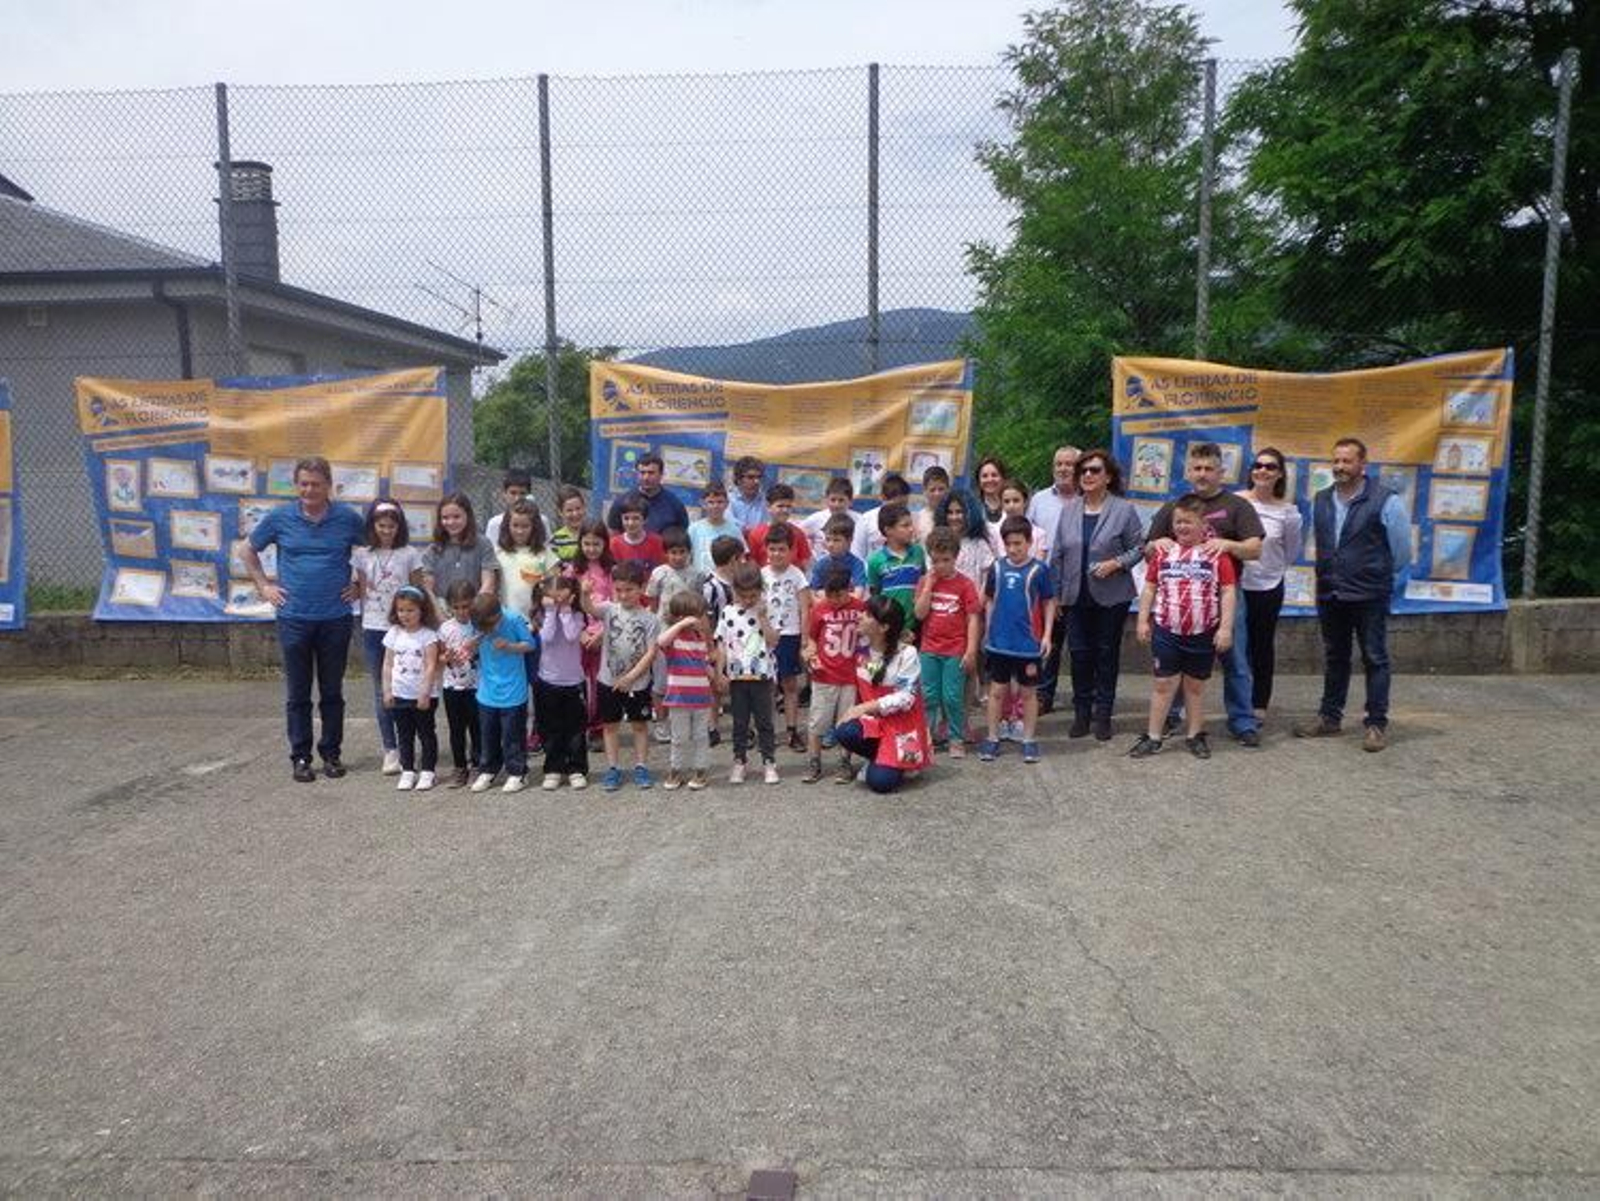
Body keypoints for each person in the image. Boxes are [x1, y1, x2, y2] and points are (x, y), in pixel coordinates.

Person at [243, 456, 366, 783]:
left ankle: (332, 754)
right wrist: (264, 586)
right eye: (304, 484)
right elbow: (247, 551)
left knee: (332, 691)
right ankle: (300, 757)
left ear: (329, 486)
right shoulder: (281, 518)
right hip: (294, 618)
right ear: (297, 486)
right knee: (298, 693)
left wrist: (359, 585)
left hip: (335, 618)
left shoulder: (347, 519)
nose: (309, 490)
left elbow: (374, 553)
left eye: (316, 484)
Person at [1294, 437, 1411, 752]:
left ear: (1363, 465)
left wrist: (1374, 574)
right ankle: (1329, 719)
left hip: (1369, 594)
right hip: (1331, 592)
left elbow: (1401, 552)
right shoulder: (1321, 499)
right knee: (1335, 657)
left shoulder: (1387, 501)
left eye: (1347, 461)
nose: (1340, 467)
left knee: (1375, 657)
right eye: (1336, 461)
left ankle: (1375, 724)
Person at [1144, 442, 1265, 747]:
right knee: (1176, 662)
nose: (1202, 474)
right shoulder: (1175, 507)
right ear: (1187, 472)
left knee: (1234, 657)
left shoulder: (1238, 506)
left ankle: (1242, 721)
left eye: (1209, 468)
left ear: (1221, 472)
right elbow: (1148, 548)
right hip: (1179, 601)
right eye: (1196, 468)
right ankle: (1172, 716)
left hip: (1224, 595)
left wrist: (1228, 545)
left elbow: (1255, 548)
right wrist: (1157, 544)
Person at [1130, 495, 1237, 760]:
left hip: (1203, 631)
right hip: (1167, 630)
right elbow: (1150, 588)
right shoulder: (1164, 553)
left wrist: (1225, 628)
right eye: (1178, 522)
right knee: (1163, 684)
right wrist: (1143, 620)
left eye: (1188, 522)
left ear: (1203, 525)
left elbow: (1228, 592)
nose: (1182, 527)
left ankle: (1195, 735)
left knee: (1195, 686)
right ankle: (1153, 736)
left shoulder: (1216, 555)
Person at [1047, 449, 1145, 740]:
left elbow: (1140, 548)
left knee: (1106, 654)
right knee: (1078, 655)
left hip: (1112, 597)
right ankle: (1081, 714)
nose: (1087, 475)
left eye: (1094, 470)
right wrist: (1056, 594)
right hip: (1075, 596)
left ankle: (1103, 715)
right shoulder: (1069, 510)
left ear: (1108, 476)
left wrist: (1117, 563)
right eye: (1084, 471)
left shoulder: (1123, 510)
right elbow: (1058, 555)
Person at [832, 595, 934, 794]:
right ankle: (879, 758)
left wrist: (863, 708)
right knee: (845, 731)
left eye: (868, 615)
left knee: (880, 784)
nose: (860, 616)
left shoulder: (908, 654)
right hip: (876, 724)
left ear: (884, 627)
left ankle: (903, 763)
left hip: (902, 727)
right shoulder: (861, 652)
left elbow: (906, 698)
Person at [350, 499, 424, 775]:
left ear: (399, 527)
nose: (386, 531)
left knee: (411, 685)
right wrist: (352, 590)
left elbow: (418, 590)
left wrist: (427, 621)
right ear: (373, 526)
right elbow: (359, 587)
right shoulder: (362, 554)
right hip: (373, 628)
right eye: (381, 526)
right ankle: (390, 749)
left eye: (392, 526)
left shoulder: (409, 554)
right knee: (383, 689)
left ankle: (411, 745)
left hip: (404, 627)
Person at [979, 515, 1056, 765]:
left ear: (1029, 542)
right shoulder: (997, 568)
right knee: (997, 692)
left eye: (1018, 544)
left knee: (1028, 694)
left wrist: (1046, 636)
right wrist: (988, 630)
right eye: (1009, 544)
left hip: (1028, 645)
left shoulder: (1039, 570)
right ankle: (992, 737)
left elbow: (1048, 603)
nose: (1013, 549)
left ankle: (1029, 739)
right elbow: (989, 599)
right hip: (999, 643)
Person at [581, 560, 659, 791]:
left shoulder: (649, 619)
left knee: (639, 725)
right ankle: (613, 767)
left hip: (638, 683)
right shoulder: (609, 609)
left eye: (630, 590)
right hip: (608, 680)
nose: (624, 595)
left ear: (641, 588)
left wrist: (631, 677)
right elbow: (589, 609)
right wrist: (585, 594)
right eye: (619, 590)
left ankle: (641, 766)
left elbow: (651, 653)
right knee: (610, 726)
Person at [1237, 447, 1303, 721]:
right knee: (1234, 648)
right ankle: (1238, 705)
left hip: (1268, 587)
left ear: (1279, 475)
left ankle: (1259, 705)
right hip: (1235, 586)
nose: (1263, 470)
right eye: (1258, 465)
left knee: (1262, 646)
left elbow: (1291, 552)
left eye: (1270, 467)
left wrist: (1269, 569)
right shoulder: (1236, 502)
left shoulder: (1289, 513)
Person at [914, 528, 982, 757]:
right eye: (936, 560)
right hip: (929, 649)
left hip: (955, 649)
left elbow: (973, 618)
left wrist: (971, 650)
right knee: (929, 694)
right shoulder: (925, 581)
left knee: (952, 696)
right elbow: (920, 614)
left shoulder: (965, 584)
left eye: (946, 560)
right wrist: (929, 586)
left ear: (956, 557)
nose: (941, 565)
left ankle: (956, 737)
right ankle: (928, 735)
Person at [714, 563, 780, 784]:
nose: (749, 600)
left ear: (761, 591)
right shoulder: (728, 612)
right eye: (743, 595)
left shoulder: (768, 608)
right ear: (734, 591)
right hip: (737, 677)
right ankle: (739, 760)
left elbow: (773, 641)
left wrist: (762, 618)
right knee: (739, 723)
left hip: (762, 676)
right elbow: (722, 644)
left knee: (765, 722)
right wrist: (719, 672)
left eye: (753, 595)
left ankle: (769, 761)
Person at [802, 567, 865, 783]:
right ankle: (814, 761)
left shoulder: (860, 608)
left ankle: (844, 762)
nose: (834, 600)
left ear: (849, 589)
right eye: (829, 595)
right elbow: (811, 639)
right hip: (824, 675)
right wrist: (810, 654)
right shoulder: (820, 609)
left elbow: (867, 639)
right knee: (817, 722)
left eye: (838, 595)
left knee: (846, 722)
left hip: (850, 676)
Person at [468, 591, 535, 793]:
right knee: (487, 733)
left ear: (498, 616)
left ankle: (517, 772)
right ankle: (488, 768)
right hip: (487, 688)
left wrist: (510, 646)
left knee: (512, 735)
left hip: (513, 689)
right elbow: (474, 648)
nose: (487, 630)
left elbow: (530, 644)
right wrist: (472, 646)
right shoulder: (479, 622)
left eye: (490, 626)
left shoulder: (513, 619)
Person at [657, 591, 720, 791]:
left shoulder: (700, 640)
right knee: (679, 737)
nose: (699, 620)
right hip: (678, 699)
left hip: (701, 698)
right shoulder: (674, 640)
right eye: (695, 615)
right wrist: (681, 625)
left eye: (701, 615)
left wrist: (716, 675)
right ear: (679, 617)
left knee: (701, 736)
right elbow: (661, 641)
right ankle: (676, 769)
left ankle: (701, 769)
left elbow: (703, 664)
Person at [382, 584, 441, 791]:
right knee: (404, 735)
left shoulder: (428, 635)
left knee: (426, 734)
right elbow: (388, 664)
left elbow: (431, 665)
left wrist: (424, 693)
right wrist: (387, 690)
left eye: (410, 610)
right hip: (400, 694)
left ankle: (428, 771)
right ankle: (407, 770)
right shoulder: (394, 633)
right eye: (400, 610)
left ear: (422, 611)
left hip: (423, 696)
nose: (405, 615)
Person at [534, 574, 589, 790]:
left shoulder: (576, 615)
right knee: (550, 728)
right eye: (552, 597)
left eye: (561, 596)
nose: (557, 601)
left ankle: (576, 768)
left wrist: (565, 610)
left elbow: (571, 635)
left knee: (575, 729)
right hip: (548, 680)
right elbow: (546, 638)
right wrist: (550, 611)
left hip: (573, 680)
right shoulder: (541, 615)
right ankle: (553, 768)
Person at [761, 524, 812, 752]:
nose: (776, 554)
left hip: (790, 635)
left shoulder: (797, 576)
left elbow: (805, 609)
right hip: (764, 638)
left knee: (789, 685)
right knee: (767, 686)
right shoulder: (761, 575)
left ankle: (792, 730)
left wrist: (804, 639)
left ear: (791, 551)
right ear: (766, 550)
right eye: (772, 549)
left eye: (782, 549)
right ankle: (767, 731)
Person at [437, 580, 482, 788]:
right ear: (449, 606)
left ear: (474, 602)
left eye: (466, 606)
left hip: (477, 686)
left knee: (476, 728)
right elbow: (440, 656)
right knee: (456, 729)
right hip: (452, 686)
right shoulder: (445, 628)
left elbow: (488, 650)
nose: (462, 611)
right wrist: (446, 657)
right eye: (456, 607)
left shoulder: (480, 625)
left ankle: (477, 765)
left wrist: (477, 647)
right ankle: (459, 767)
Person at [421, 492, 498, 607]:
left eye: (456, 517)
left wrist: (474, 610)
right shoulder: (433, 549)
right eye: (445, 518)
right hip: (442, 611)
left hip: (475, 609)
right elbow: (428, 589)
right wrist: (439, 616)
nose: (451, 522)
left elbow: (488, 583)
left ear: (468, 515)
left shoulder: (483, 544)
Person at [865, 501, 926, 631]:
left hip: (917, 626)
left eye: (911, 524)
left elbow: (923, 582)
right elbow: (876, 594)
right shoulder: (875, 560)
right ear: (888, 530)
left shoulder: (918, 552)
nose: (911, 529)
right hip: (889, 628)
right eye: (905, 525)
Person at [605, 452, 690, 535]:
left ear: (661, 474)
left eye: (651, 473)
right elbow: (614, 535)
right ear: (637, 474)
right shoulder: (622, 502)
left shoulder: (674, 504)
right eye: (642, 473)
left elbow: (681, 538)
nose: (646, 477)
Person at [1026, 445, 1082, 559]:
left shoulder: (1088, 499)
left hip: (1078, 572)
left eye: (1069, 464)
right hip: (1044, 571)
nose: (1062, 469)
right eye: (1058, 464)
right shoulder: (1038, 500)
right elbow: (1027, 534)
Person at [745, 484, 813, 571]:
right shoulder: (756, 534)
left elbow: (804, 563)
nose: (785, 510)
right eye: (780, 506)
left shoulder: (798, 533)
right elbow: (752, 563)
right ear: (768, 506)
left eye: (788, 506)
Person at [852, 472, 912, 564]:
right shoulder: (867, 520)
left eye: (903, 504)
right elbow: (857, 553)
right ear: (883, 497)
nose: (899, 509)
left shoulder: (911, 520)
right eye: (896, 504)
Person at [687, 480, 745, 571]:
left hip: (726, 580)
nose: (715, 506)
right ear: (703, 504)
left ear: (727, 504)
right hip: (699, 581)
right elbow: (687, 557)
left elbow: (742, 558)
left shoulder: (734, 530)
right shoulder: (694, 529)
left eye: (720, 502)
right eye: (711, 502)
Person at [797, 476, 856, 561]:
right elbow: (798, 534)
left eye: (841, 500)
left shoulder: (859, 521)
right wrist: (809, 553)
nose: (836, 504)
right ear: (826, 500)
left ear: (850, 501)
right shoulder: (816, 519)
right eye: (833, 500)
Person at [809, 513, 867, 598]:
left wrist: (825, 594)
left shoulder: (857, 564)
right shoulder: (821, 564)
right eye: (828, 539)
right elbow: (812, 593)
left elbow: (858, 595)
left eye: (836, 540)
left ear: (850, 540)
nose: (830, 544)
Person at [609, 495, 666, 571]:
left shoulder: (657, 542)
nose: (630, 523)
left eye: (636, 518)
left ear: (645, 520)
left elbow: (662, 570)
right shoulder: (614, 544)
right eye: (626, 518)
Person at [483, 467, 532, 545]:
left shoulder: (541, 521)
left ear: (529, 495)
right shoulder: (495, 524)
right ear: (504, 494)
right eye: (513, 493)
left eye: (522, 493)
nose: (517, 498)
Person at [548, 485, 588, 566]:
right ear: (560, 512)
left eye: (578, 508)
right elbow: (553, 570)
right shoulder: (555, 541)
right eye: (569, 510)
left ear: (584, 508)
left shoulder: (593, 534)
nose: (575, 514)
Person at [728, 455, 769, 530]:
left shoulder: (766, 501)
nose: (757, 481)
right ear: (738, 479)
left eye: (759, 477)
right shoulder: (727, 500)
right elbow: (730, 527)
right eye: (750, 477)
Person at [913, 465, 952, 541]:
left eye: (941, 489)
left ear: (948, 489)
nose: (937, 494)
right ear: (924, 491)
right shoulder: (917, 519)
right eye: (932, 490)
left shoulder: (954, 517)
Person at [975, 455, 1009, 526]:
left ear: (1003, 478)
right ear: (978, 481)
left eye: (994, 475)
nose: (990, 480)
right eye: (984, 476)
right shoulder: (972, 507)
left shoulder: (1012, 505)